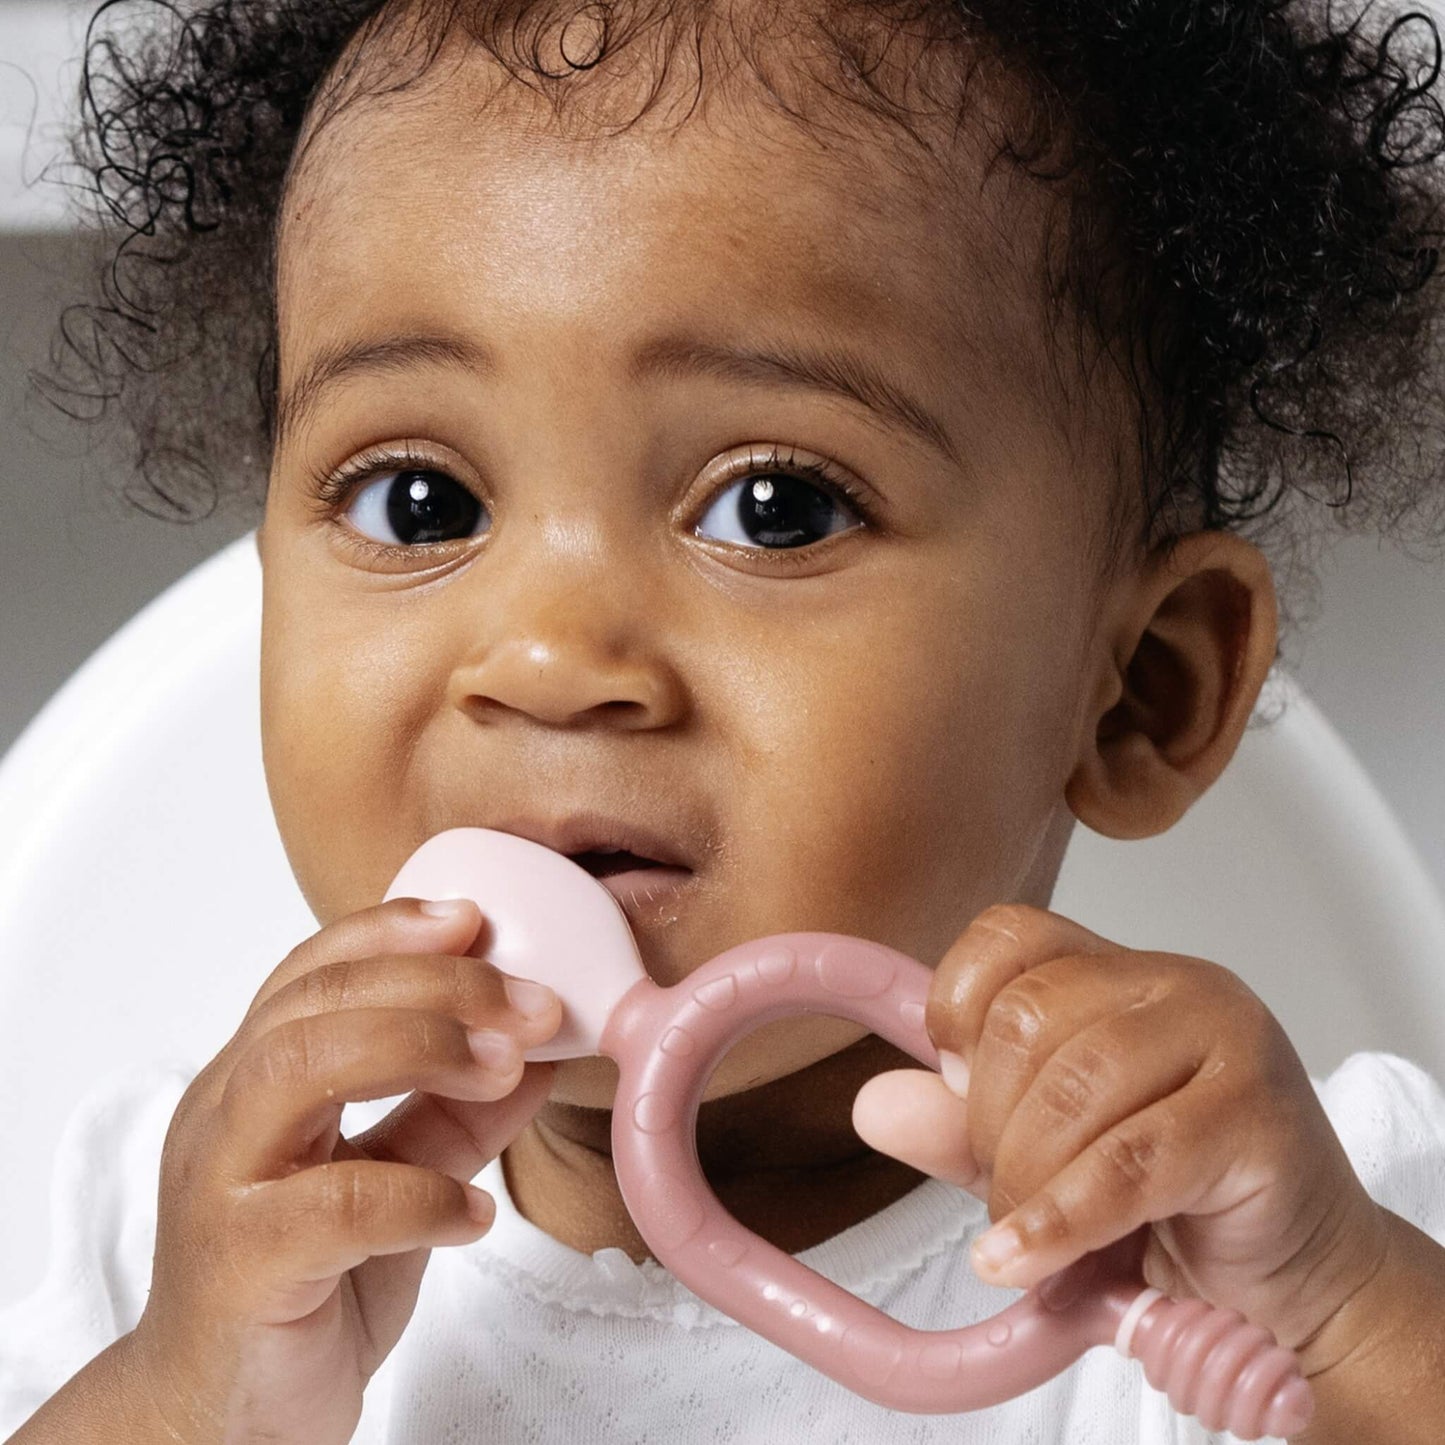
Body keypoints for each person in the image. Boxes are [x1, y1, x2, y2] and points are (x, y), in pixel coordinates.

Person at [5, 0, 1445, 1439]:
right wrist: (191, 1397)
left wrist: (1341, 1313)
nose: (552, 657)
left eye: (775, 508)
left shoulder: (1274, 1214)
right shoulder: (191, 1243)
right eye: (420, 500)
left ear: (1141, 690)